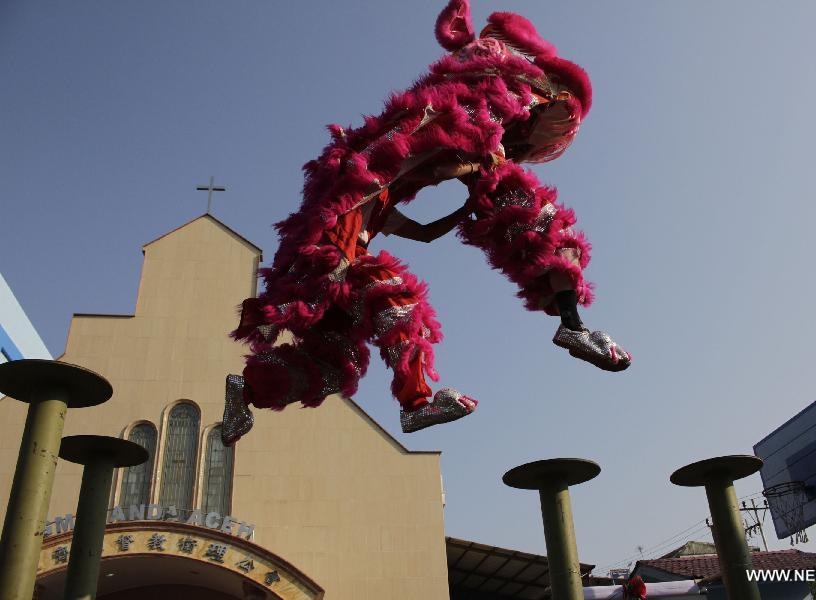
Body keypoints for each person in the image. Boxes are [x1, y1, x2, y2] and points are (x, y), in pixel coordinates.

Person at [222, 0, 631, 445]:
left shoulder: (381, 190)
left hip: (337, 254)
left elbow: (424, 230)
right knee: (396, 296)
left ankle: (246, 392)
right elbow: (432, 166)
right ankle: (419, 404)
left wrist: (465, 205)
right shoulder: (428, 125)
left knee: (335, 363)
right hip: (329, 258)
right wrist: (478, 170)